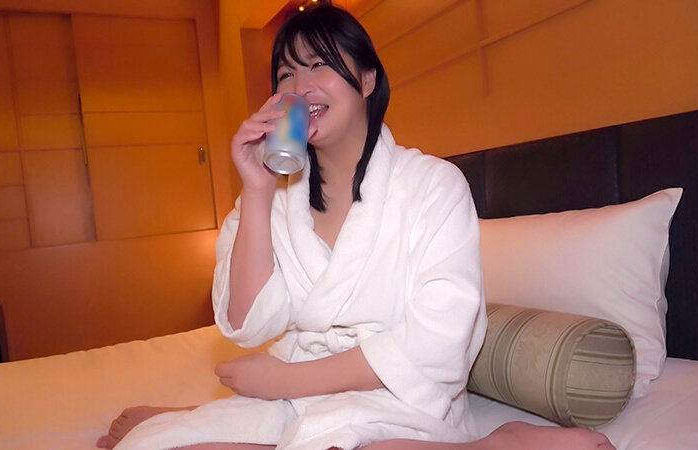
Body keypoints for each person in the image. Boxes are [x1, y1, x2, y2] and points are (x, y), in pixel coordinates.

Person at [97, 5, 614, 450]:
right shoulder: (272, 199)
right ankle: (197, 420)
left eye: (318, 64)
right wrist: (256, 189)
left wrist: (286, 381)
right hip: (291, 400)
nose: (299, 87)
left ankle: (496, 442)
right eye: (285, 75)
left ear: (366, 80)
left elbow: (438, 343)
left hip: (394, 400)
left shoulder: (432, 186)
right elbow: (246, 323)